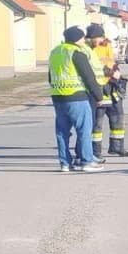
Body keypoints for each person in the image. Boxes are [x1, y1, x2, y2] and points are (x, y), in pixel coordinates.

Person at [48, 26, 104, 173]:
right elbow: (89, 76)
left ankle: (65, 163)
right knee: (84, 130)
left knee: (62, 132)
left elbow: (50, 76)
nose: (83, 40)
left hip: (58, 96)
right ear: (77, 39)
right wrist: (98, 96)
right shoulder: (76, 53)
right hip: (76, 96)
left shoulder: (55, 52)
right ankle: (87, 162)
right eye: (82, 38)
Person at [84, 23, 119, 161]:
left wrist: (116, 70)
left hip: (108, 83)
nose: (101, 39)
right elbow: (96, 66)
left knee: (116, 115)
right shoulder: (89, 49)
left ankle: (115, 147)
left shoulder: (106, 45)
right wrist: (111, 73)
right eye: (99, 37)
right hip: (96, 85)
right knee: (95, 120)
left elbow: (111, 61)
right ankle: (93, 152)